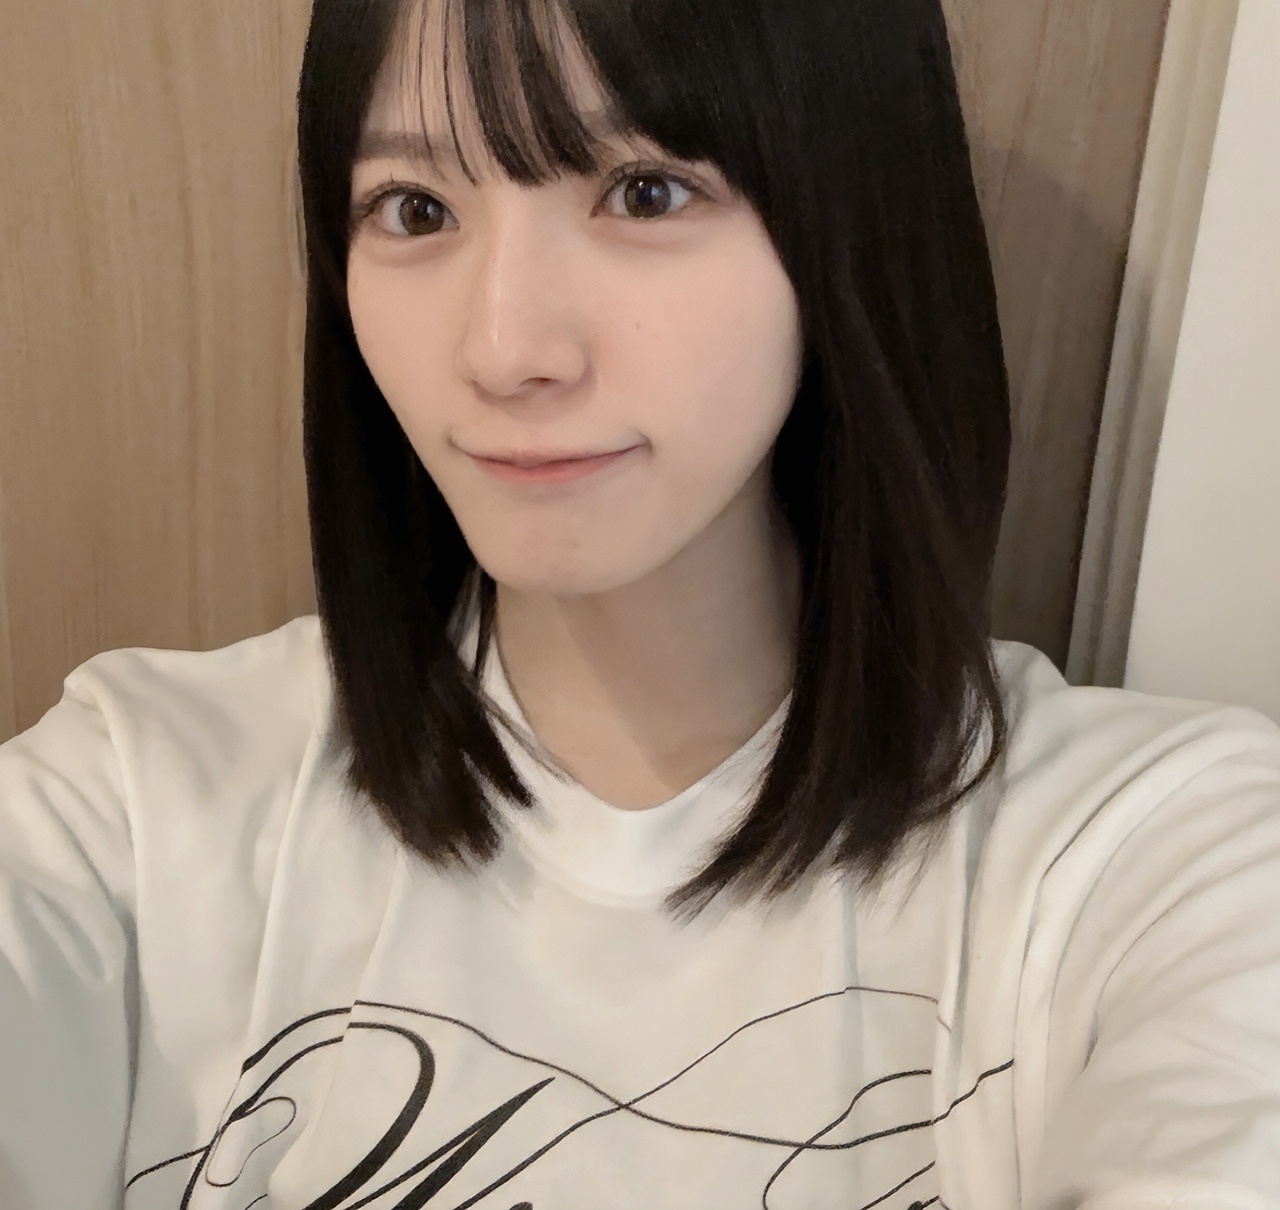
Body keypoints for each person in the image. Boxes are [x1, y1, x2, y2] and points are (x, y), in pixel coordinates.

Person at [2, 0, 1279, 1206]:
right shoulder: (138, 807)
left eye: (644, 191)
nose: (504, 350)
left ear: (847, 220)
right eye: (414, 208)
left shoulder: (1155, 857)